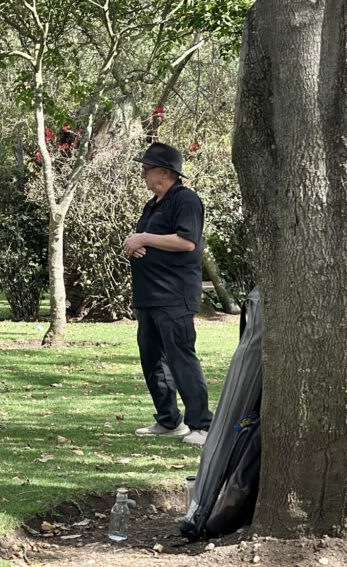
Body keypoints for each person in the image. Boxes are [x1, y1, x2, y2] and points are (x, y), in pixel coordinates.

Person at [123, 142, 213, 446]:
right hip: (148, 295)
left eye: (147, 169)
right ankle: (168, 420)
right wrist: (135, 246)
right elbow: (150, 241)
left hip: (174, 294)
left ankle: (201, 424)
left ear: (165, 172)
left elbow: (187, 242)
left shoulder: (185, 200)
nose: (144, 175)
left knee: (180, 358)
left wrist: (145, 237)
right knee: (152, 359)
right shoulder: (153, 204)